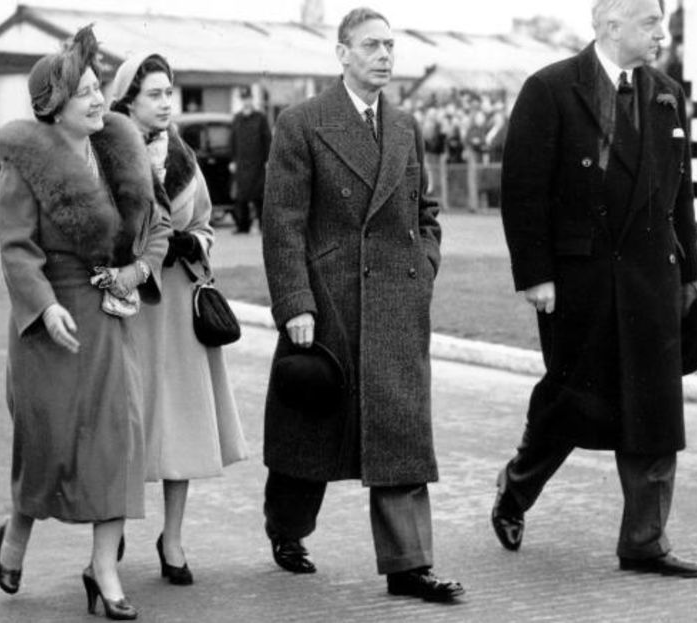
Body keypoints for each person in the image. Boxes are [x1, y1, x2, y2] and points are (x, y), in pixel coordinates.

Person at [492, 0, 697, 578]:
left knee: (655, 409)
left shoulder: (666, 93)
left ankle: (644, 541)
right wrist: (535, 275)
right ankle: (515, 490)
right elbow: (523, 189)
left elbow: (678, 192)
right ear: (612, 26)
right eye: (651, 22)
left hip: (651, 278)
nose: (662, 33)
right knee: (572, 402)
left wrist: (694, 273)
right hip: (578, 280)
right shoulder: (551, 88)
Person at [260, 7, 464, 603]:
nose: (384, 55)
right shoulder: (301, 124)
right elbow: (283, 223)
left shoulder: (405, 127)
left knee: (400, 433)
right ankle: (288, 528)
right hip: (328, 307)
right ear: (342, 53)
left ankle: (409, 566)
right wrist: (296, 302)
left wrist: (423, 268)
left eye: (390, 46)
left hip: (397, 303)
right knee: (313, 430)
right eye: (371, 45)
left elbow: (425, 213)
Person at [0, 25, 170, 620]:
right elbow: (18, 249)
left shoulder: (121, 151)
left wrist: (141, 271)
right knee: (49, 445)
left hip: (108, 317)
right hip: (52, 324)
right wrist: (43, 305)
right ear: (53, 107)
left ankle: (104, 569)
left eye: (99, 88)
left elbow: (153, 228)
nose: (99, 100)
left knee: (116, 442)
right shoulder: (25, 167)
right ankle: (16, 533)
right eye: (85, 93)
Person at [107, 52, 249, 586]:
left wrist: (193, 240)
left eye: (171, 92)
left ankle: (174, 537)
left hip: (181, 299)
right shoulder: (106, 154)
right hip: (130, 304)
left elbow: (208, 222)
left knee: (183, 423)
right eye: (156, 94)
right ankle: (111, 525)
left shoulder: (185, 157)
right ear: (128, 102)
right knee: (127, 419)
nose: (167, 103)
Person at [230, 87, 271, 234]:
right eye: (244, 99)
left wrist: (268, 160)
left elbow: (267, 140)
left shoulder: (260, 118)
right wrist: (233, 160)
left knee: (259, 196)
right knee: (241, 197)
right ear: (242, 100)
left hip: (258, 163)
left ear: (252, 99)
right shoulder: (237, 118)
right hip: (241, 163)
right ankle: (243, 226)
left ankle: (263, 226)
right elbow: (233, 140)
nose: (246, 101)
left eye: (248, 98)